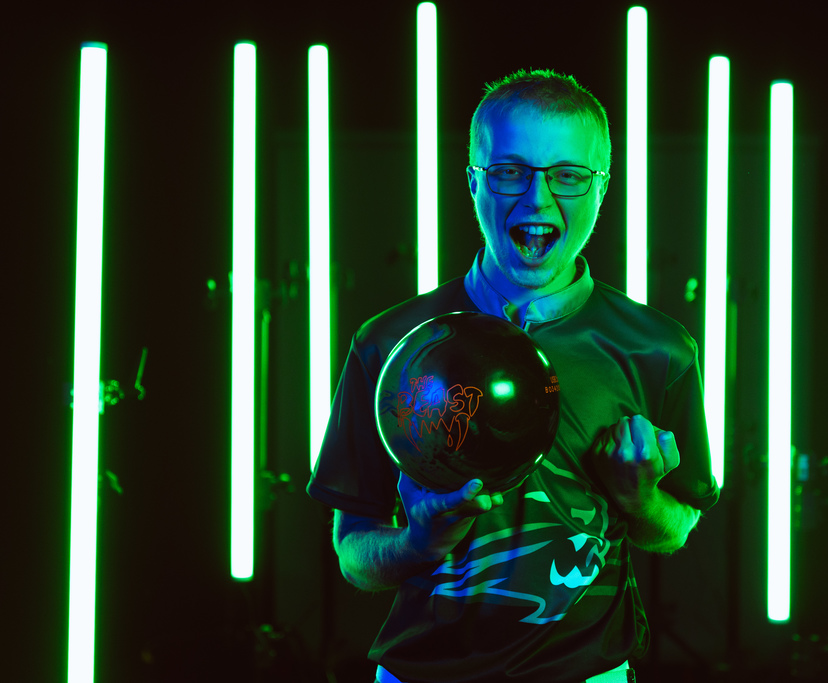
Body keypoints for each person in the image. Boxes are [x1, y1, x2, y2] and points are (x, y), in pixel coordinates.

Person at [307, 69, 720, 683]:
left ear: (602, 190)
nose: (537, 198)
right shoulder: (392, 343)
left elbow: (676, 528)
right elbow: (354, 553)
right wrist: (420, 543)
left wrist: (640, 498)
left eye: (568, 175)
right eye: (509, 172)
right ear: (472, 181)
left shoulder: (657, 349)